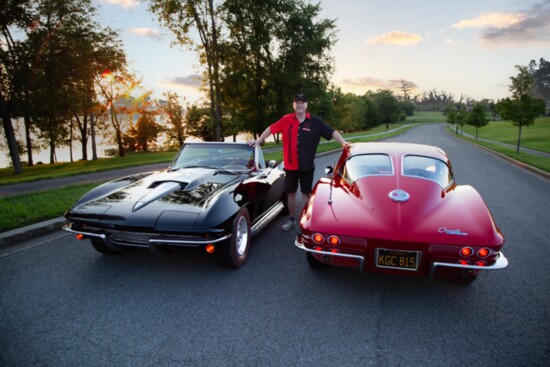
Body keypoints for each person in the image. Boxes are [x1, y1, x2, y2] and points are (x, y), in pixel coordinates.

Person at [248, 93, 348, 230]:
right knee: (291, 193)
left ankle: (307, 221)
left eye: (302, 102)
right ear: (293, 105)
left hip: (307, 165)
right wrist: (258, 141)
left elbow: (331, 132)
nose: (300, 104)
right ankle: (292, 220)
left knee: (306, 194)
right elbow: (271, 129)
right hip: (290, 166)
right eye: (297, 102)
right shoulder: (286, 119)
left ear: (306, 105)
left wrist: (343, 143)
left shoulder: (315, 121)